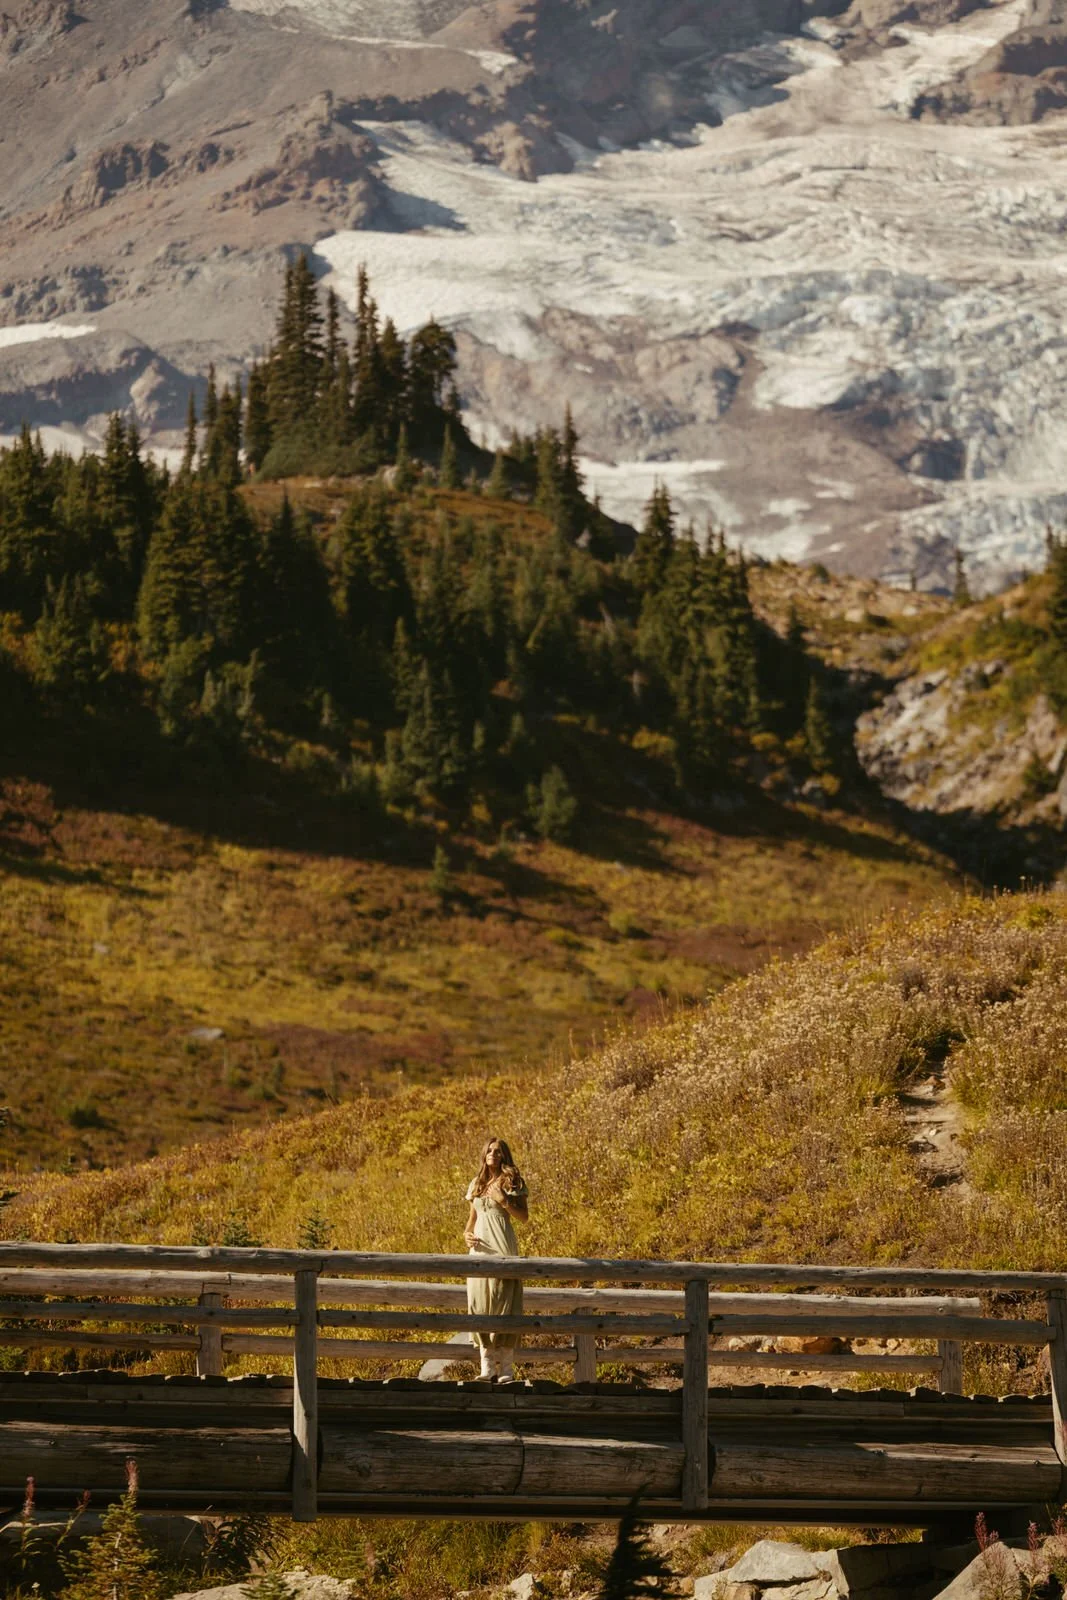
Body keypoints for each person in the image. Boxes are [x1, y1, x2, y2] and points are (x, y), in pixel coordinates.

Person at [464, 1136, 529, 1381]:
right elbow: (471, 1220)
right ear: (484, 1154)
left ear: (504, 1156)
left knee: (504, 1302)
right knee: (479, 1303)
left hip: (502, 1244)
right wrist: (467, 1235)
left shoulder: (512, 1180)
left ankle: (507, 1369)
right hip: (479, 1250)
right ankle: (487, 1368)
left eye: (498, 1151)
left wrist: (504, 1201)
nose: (493, 1154)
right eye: (489, 1150)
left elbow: (524, 1217)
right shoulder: (477, 1183)